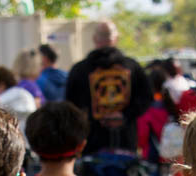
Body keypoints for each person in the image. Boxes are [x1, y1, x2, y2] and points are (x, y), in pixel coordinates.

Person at [65, 20, 153, 155]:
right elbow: (147, 97)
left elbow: (70, 105)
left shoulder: (79, 69)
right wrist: (125, 115)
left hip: (91, 141)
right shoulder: (133, 67)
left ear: (95, 39)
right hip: (125, 141)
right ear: (116, 38)